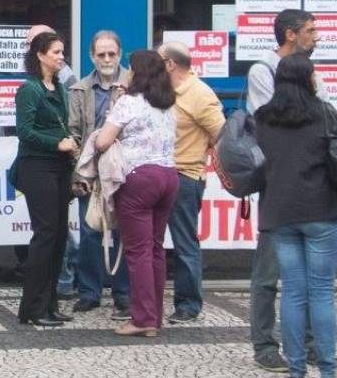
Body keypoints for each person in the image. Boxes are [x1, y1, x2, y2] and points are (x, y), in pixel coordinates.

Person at [254, 54, 337, 378]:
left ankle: (296, 371)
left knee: (293, 293)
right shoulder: (322, 112)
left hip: (281, 211)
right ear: (308, 78)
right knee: (321, 291)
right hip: (322, 208)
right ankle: (327, 371)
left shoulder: (264, 118)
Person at [245, 8, 318, 372]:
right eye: (309, 30)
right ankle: (264, 343)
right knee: (268, 271)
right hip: (276, 184)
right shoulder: (263, 70)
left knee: (306, 272)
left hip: (308, 186)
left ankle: (307, 341)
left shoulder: (308, 72)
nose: (315, 37)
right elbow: (269, 123)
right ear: (290, 34)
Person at [93, 50, 179, 338]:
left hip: (139, 177)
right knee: (156, 248)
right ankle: (154, 314)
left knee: (138, 250)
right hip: (169, 176)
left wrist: (115, 106)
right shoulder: (167, 105)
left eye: (130, 69)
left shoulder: (128, 103)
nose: (127, 74)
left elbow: (103, 141)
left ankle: (142, 318)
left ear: (138, 73)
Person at [14, 31, 78, 327]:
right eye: (56, 52)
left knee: (59, 236)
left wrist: (69, 143)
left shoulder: (60, 88)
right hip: (37, 166)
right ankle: (33, 307)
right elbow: (25, 131)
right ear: (40, 55)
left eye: (62, 52)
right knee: (45, 234)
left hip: (60, 166)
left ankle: (49, 304)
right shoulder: (29, 89)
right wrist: (56, 143)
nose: (61, 57)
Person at [158, 41, 225, 324]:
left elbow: (222, 134)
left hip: (185, 176)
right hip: (158, 173)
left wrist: (215, 163)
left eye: (159, 60)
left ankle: (188, 304)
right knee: (150, 242)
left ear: (171, 64)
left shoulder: (199, 94)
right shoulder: (163, 90)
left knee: (184, 243)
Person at [67, 30, 130, 318]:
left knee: (124, 232)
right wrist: (78, 170)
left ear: (120, 54)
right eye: (101, 54)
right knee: (90, 231)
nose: (106, 59)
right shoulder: (80, 89)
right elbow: (75, 131)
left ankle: (124, 293)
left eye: (112, 54)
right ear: (92, 56)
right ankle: (89, 292)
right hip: (92, 171)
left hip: (125, 169)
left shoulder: (133, 83)